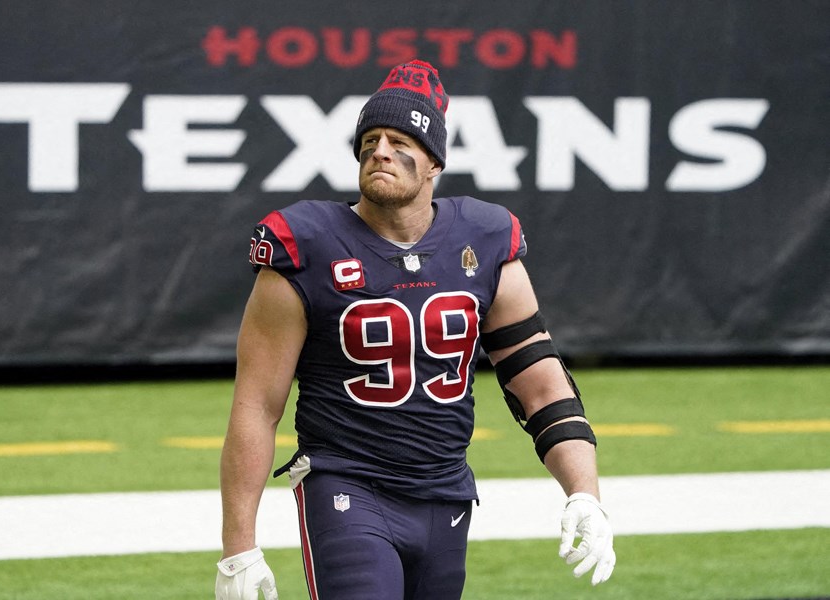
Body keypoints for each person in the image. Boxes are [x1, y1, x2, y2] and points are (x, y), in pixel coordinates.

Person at [215, 60, 615, 600]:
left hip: (445, 491)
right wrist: (239, 545)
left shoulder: (486, 239)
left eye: (401, 139)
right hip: (347, 483)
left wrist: (583, 493)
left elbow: (539, 381)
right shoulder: (306, 245)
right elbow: (257, 404)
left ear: (433, 164)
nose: (379, 150)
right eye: (370, 139)